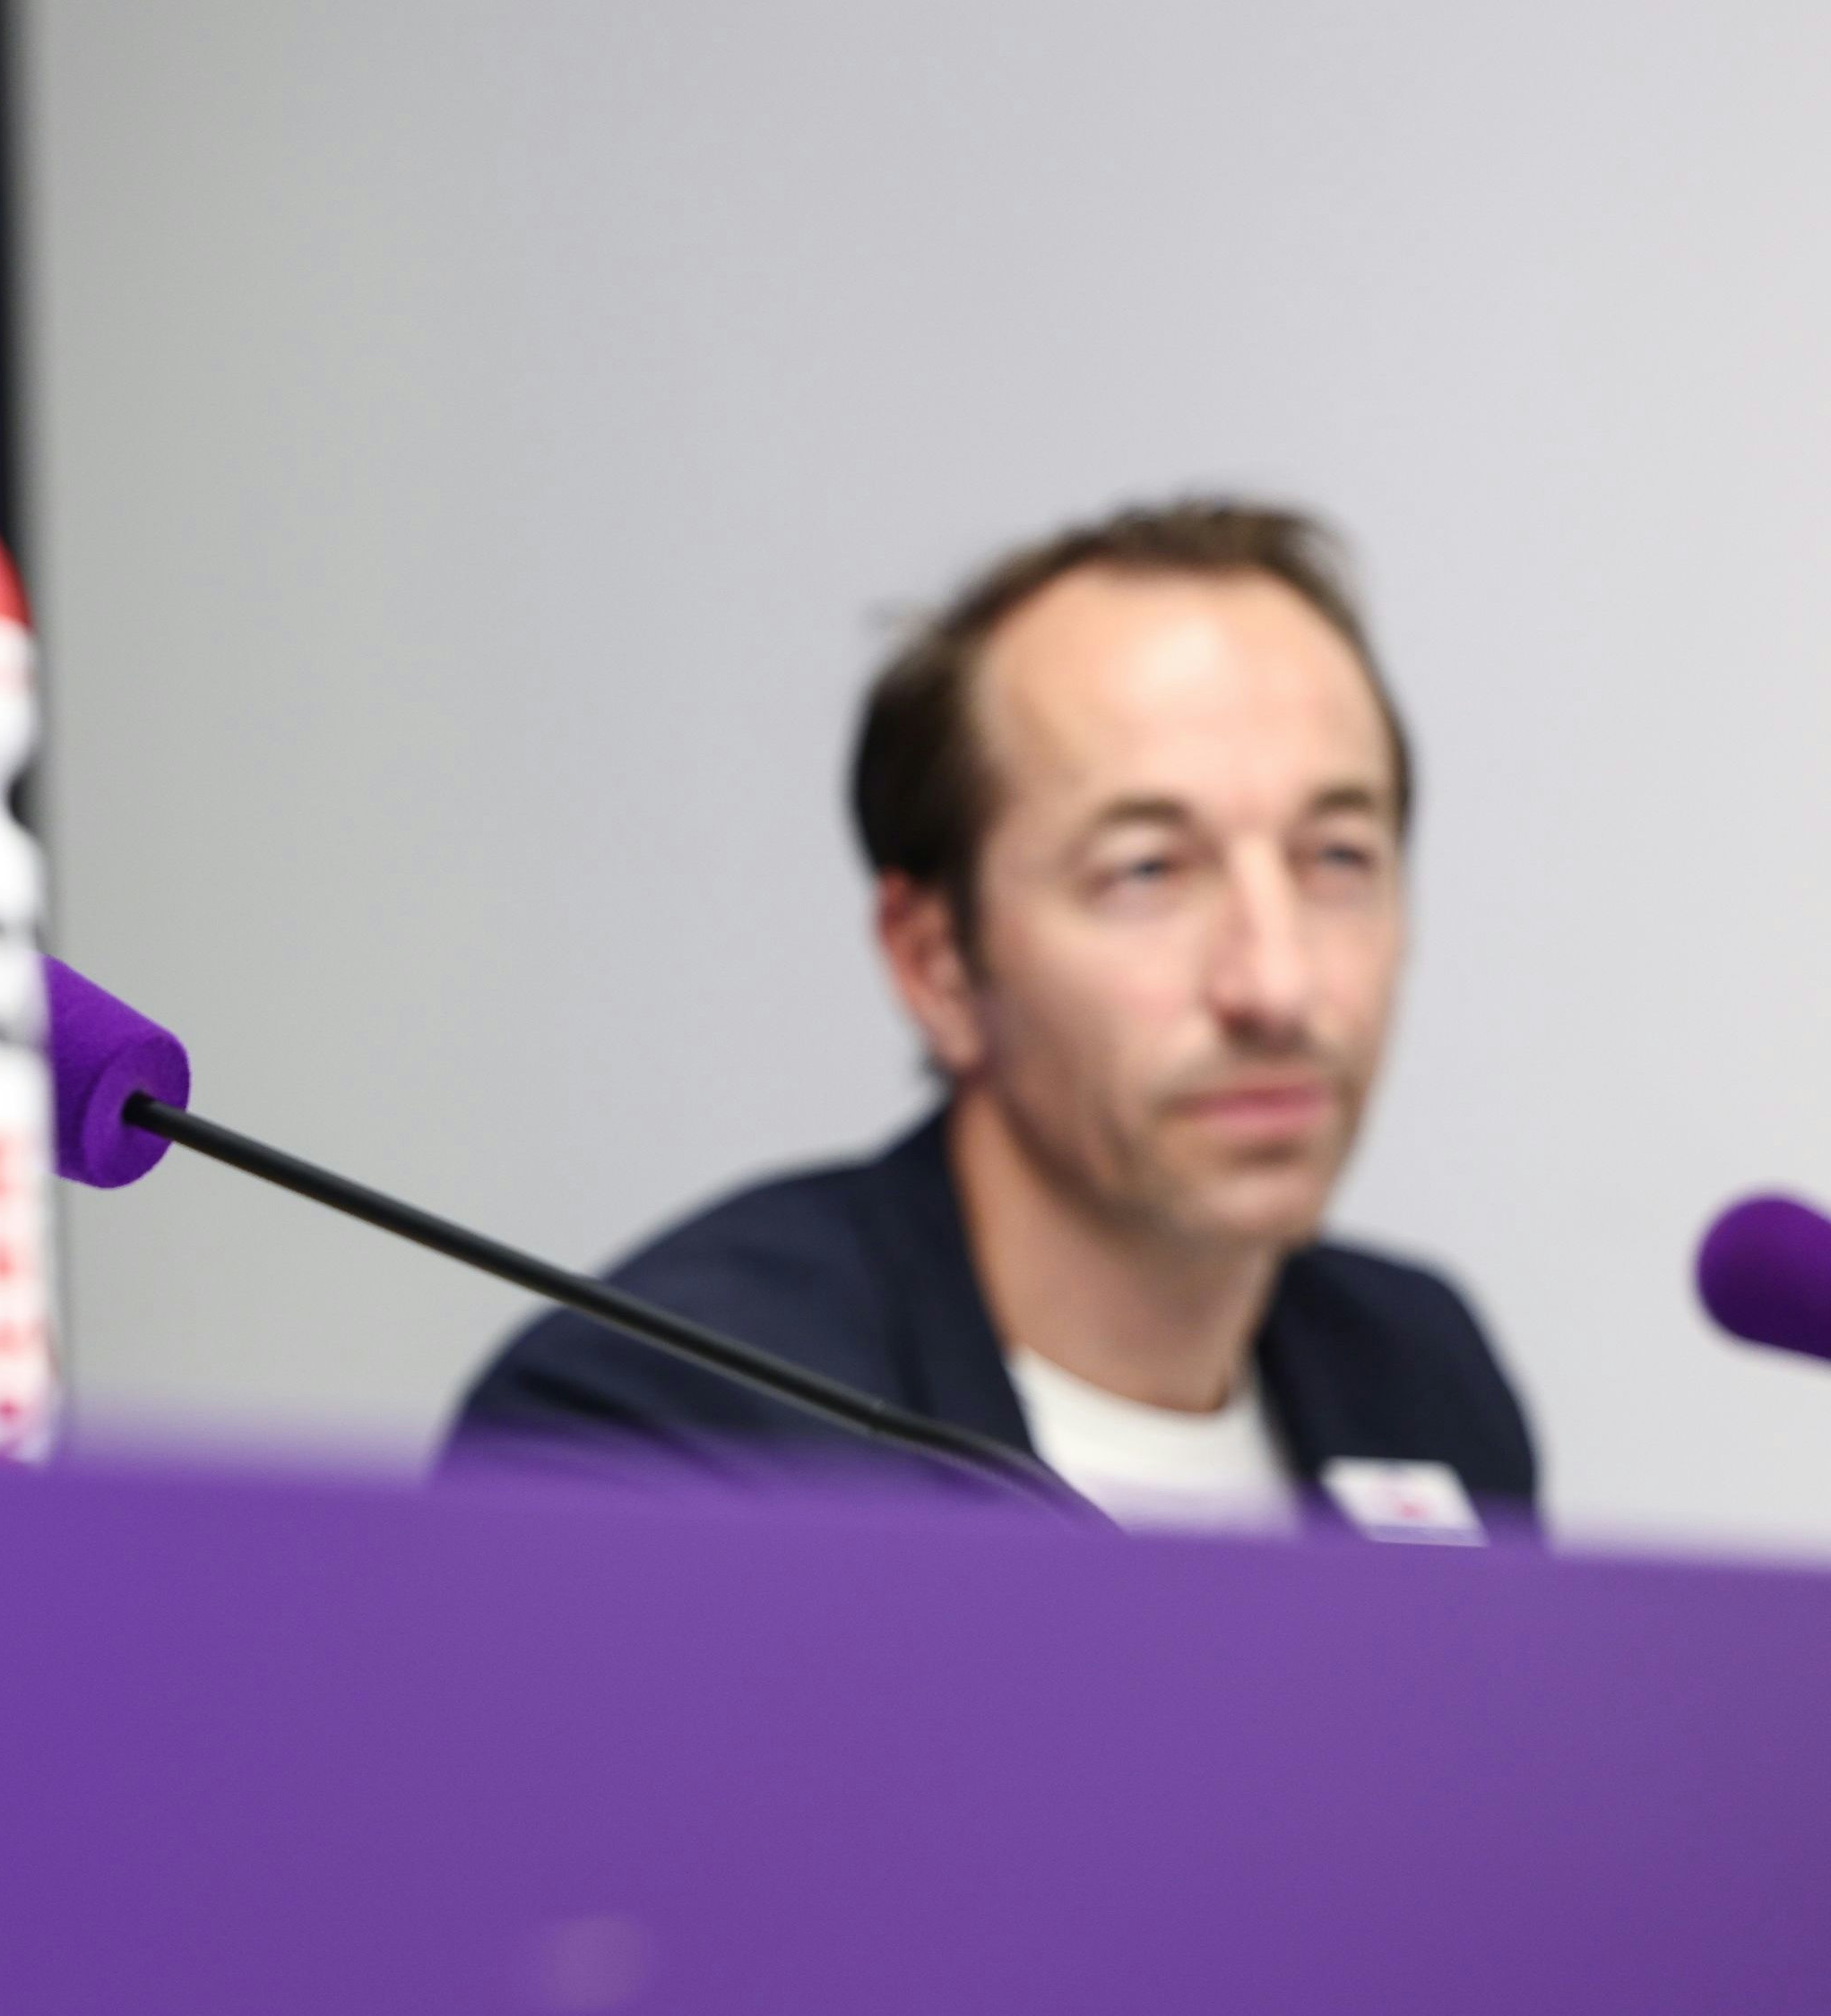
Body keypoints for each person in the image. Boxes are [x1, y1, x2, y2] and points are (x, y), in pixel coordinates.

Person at [452, 501, 1533, 1538]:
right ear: (937, 968)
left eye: (1336, 857)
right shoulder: (670, 1421)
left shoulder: (1418, 1375)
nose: (1276, 983)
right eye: (1147, 871)